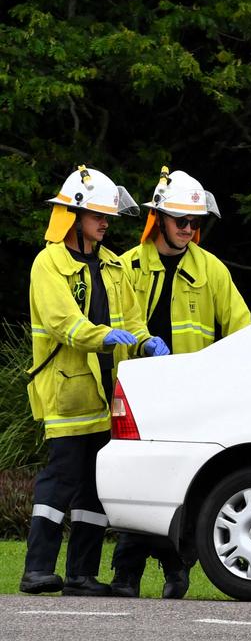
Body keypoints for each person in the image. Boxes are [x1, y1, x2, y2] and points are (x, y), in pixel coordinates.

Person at [20, 166, 169, 597]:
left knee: (96, 489)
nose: (106, 223)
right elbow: (64, 322)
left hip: (108, 395)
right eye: (98, 215)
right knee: (59, 482)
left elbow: (134, 324)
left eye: (108, 216)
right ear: (74, 214)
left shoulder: (111, 266)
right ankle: (36, 570)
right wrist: (103, 335)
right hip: (68, 392)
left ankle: (81, 576)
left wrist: (145, 343)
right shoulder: (48, 263)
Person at [109, 167, 251, 600]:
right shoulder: (129, 266)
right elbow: (116, 321)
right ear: (159, 219)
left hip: (192, 393)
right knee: (137, 479)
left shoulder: (211, 269)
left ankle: (177, 567)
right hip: (139, 389)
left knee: (181, 479)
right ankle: (126, 573)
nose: (189, 229)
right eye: (181, 221)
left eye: (195, 222)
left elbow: (240, 326)